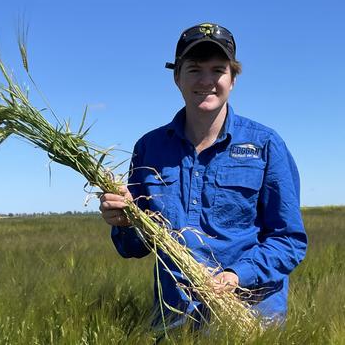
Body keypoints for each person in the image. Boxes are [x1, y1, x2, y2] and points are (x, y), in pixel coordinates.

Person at [99, 23, 307, 330]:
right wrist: (125, 220)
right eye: (194, 69)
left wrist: (238, 275)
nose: (206, 81)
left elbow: (288, 240)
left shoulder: (265, 145)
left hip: (250, 320)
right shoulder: (150, 148)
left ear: (233, 79)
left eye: (218, 70)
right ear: (177, 78)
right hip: (175, 321)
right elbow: (133, 247)